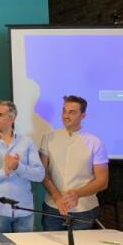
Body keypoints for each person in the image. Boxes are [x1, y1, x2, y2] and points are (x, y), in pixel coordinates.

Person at [40, 95, 108, 230]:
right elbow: (42, 172)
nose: (66, 115)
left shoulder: (95, 142)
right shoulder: (48, 138)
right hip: (53, 207)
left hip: (83, 209)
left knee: (80, 244)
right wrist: (57, 197)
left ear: (83, 116)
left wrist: (77, 194)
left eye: (72, 112)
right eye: (64, 111)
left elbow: (102, 181)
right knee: (51, 244)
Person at [0, 100, 44, 233]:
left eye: (0, 115)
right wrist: (4, 171)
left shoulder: (27, 142)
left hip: (24, 208)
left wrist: (18, 166)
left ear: (12, 118)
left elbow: (39, 174)